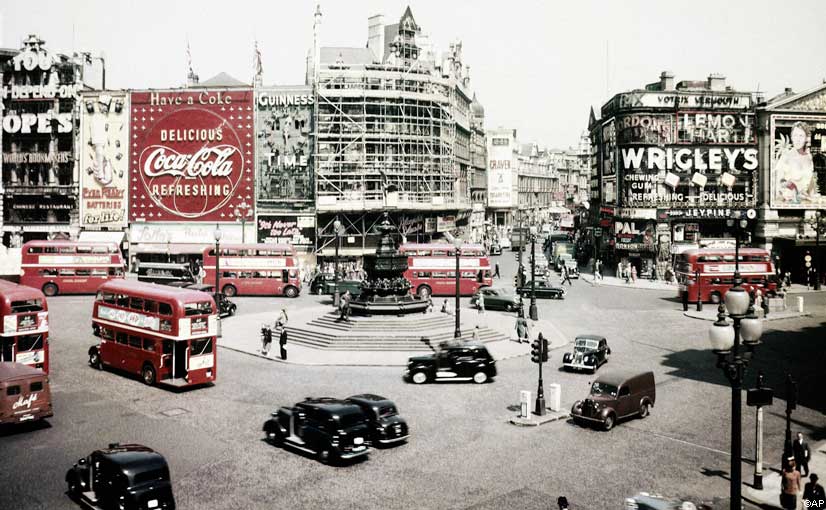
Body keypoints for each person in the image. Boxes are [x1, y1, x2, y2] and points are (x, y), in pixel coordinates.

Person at [775, 121, 818, 204]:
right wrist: (792, 191)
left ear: (806, 138)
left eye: (801, 136)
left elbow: (810, 183)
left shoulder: (809, 157)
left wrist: (812, 196)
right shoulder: (786, 156)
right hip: (789, 202)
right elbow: (779, 183)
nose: (797, 139)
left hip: (806, 202)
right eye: (795, 135)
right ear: (791, 137)